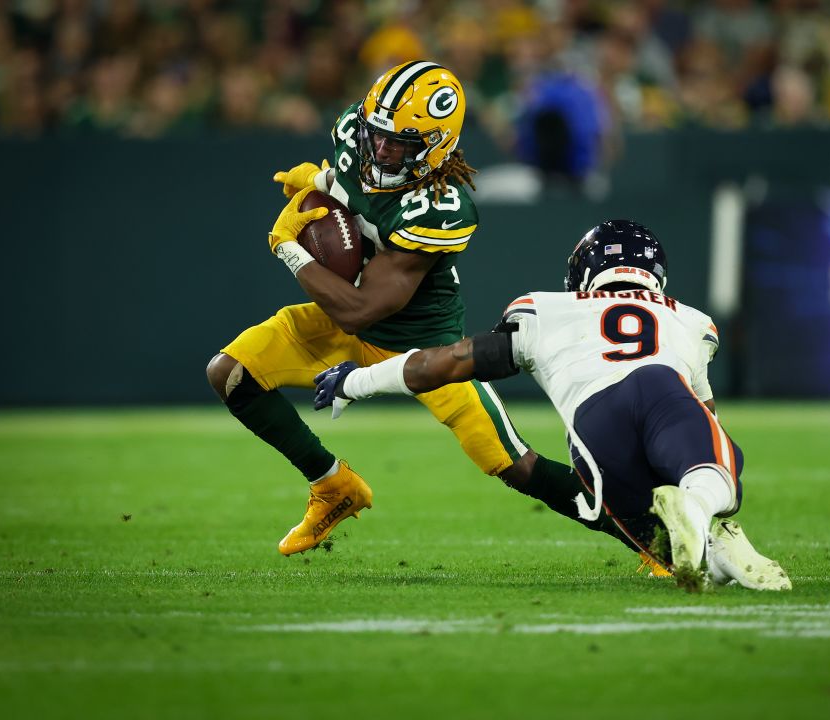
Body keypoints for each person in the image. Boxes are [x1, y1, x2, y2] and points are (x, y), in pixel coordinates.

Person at [205, 61, 652, 564]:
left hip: (423, 349)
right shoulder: (357, 133)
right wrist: (326, 184)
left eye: (398, 145)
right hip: (339, 320)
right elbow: (354, 193)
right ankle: (333, 486)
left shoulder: (440, 204)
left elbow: (362, 309)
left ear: (435, 149)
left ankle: (651, 537)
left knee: (514, 464)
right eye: (377, 136)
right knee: (232, 374)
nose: (380, 151)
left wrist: (291, 247)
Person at [312, 220, 790, 589]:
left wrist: (357, 380)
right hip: (663, 392)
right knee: (718, 470)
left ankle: (721, 555)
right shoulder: (693, 321)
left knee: (662, 544)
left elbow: (445, 363)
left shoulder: (545, 309)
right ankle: (705, 510)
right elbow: (705, 417)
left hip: (594, 436)